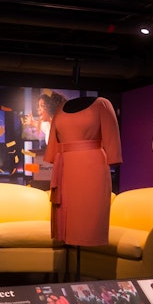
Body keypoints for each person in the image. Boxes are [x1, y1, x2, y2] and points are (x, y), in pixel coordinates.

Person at [45, 96, 121, 247]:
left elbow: (112, 138)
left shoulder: (102, 104)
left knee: (87, 219)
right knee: (67, 220)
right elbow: (54, 142)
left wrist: (113, 155)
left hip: (92, 168)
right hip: (64, 168)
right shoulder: (60, 108)